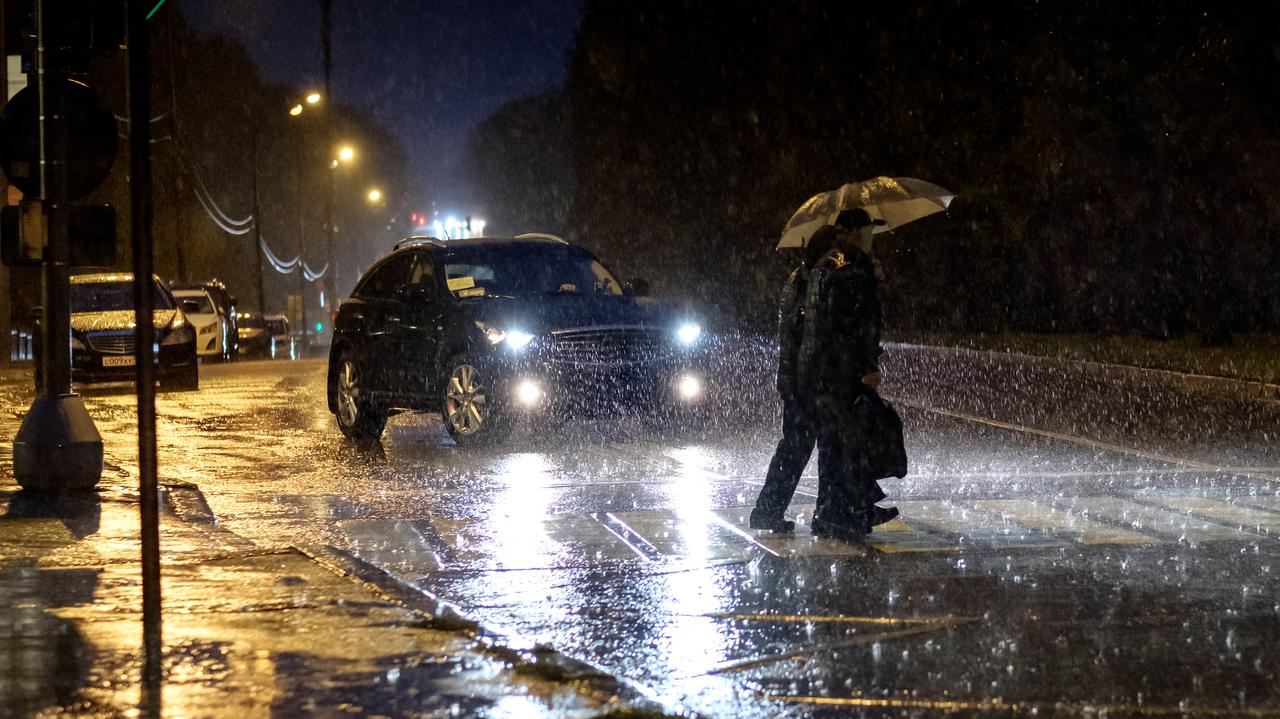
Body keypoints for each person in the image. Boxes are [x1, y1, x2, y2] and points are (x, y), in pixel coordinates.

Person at [800, 208, 899, 543]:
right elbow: (853, 323)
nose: (873, 238)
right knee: (852, 444)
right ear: (857, 231)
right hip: (843, 373)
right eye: (870, 231)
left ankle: (831, 513)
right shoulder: (854, 269)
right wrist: (864, 369)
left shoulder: (825, 263)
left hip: (820, 371)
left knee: (832, 446)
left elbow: (823, 321)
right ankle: (849, 514)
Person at [748, 226, 838, 533]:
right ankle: (827, 516)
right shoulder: (820, 280)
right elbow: (814, 336)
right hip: (812, 381)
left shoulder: (795, 279)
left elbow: (789, 335)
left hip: (795, 380)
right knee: (829, 448)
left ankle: (768, 509)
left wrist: (788, 378)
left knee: (794, 448)